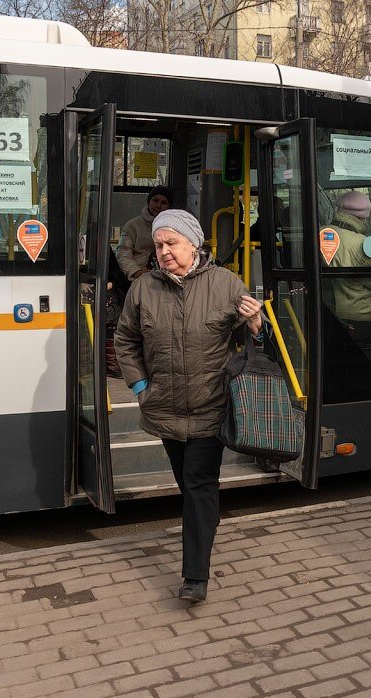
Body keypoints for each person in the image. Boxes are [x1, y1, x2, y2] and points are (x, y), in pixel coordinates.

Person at [114, 209, 263, 604]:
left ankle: (195, 577)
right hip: (162, 407)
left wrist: (255, 325)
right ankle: (205, 524)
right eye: (159, 245)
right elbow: (125, 341)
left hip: (210, 405)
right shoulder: (143, 289)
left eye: (171, 243)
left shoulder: (227, 284)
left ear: (193, 243)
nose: (163, 252)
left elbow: (249, 345)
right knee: (191, 486)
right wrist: (142, 386)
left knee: (198, 485)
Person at [324, 190, 371, 376]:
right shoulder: (358, 243)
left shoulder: (322, 232)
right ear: (363, 217)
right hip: (359, 312)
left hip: (330, 310)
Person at [116, 185, 172, 281]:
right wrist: (136, 271)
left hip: (166, 276)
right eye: (155, 200)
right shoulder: (132, 225)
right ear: (149, 201)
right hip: (138, 277)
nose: (158, 205)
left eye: (163, 202)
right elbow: (123, 253)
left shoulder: (174, 227)